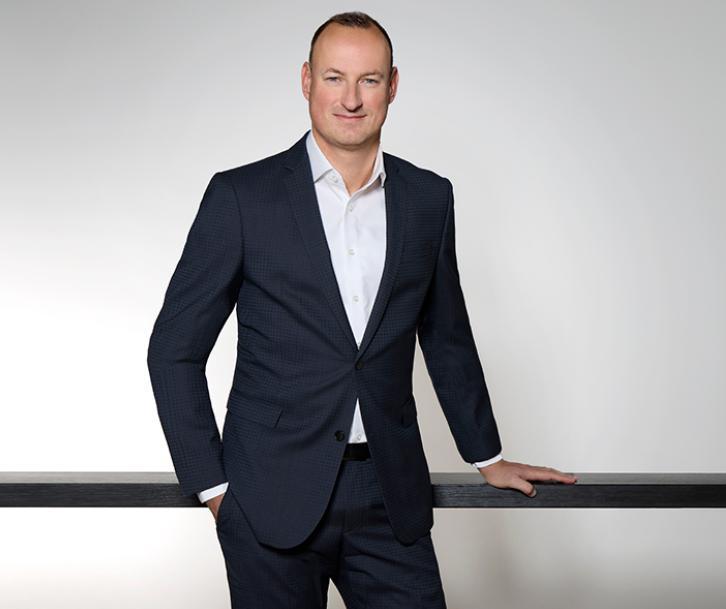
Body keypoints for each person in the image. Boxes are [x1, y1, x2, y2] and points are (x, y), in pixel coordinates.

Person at [147, 11, 577, 608]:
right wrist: (213, 488)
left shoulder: (429, 198)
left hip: (389, 493)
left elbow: (446, 336)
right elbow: (173, 350)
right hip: (267, 497)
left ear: (392, 86)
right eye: (334, 78)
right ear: (306, 80)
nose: (350, 98)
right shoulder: (242, 197)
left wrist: (489, 457)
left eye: (368, 80)